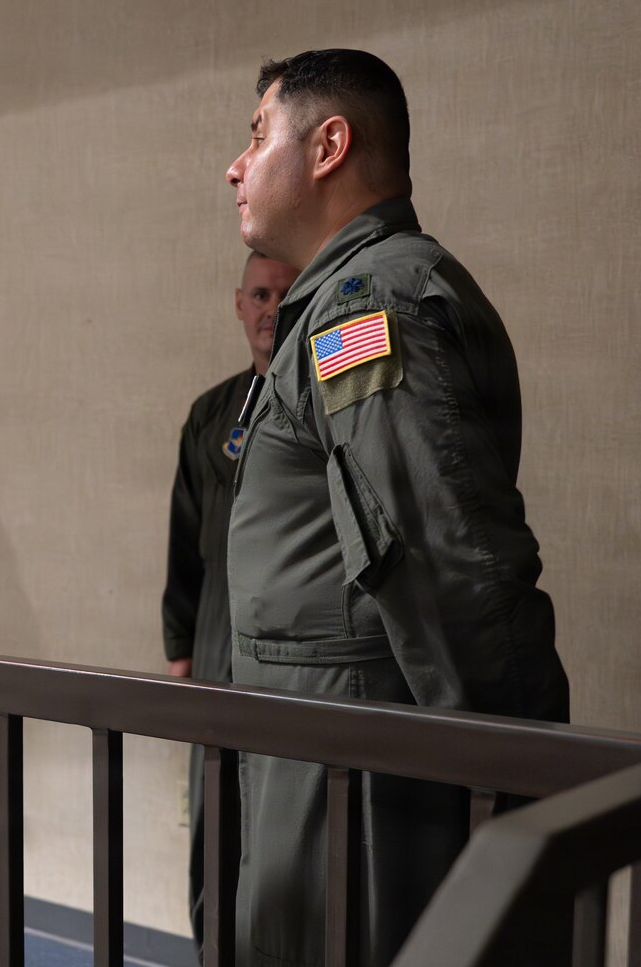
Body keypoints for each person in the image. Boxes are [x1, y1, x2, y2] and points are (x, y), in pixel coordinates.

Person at [222, 49, 570, 967]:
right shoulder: (342, 299)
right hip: (320, 728)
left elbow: (441, 558)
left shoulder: (364, 303)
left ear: (329, 145)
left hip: (358, 748)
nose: (234, 165)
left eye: (257, 136)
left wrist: (504, 772)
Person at [159, 249, 298, 949]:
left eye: (286, 294)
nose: (272, 308)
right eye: (261, 294)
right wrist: (180, 649)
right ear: (239, 304)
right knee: (217, 822)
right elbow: (186, 545)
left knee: (287, 828)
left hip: (295, 653)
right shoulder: (212, 415)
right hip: (216, 640)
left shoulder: (324, 401)